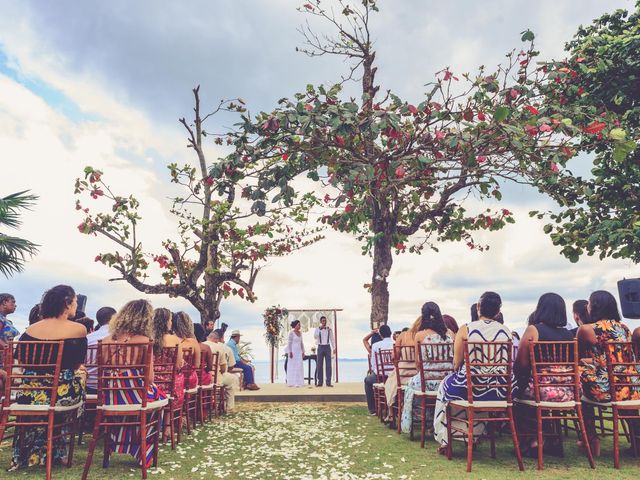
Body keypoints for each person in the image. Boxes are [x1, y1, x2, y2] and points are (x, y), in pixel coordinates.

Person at [10, 285, 87, 471]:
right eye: (75, 301)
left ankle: (27, 452)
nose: (76, 305)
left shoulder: (29, 331)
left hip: (28, 394)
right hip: (60, 393)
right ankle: (57, 451)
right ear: (67, 303)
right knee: (79, 381)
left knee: (47, 395)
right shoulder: (78, 329)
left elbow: (21, 362)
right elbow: (77, 364)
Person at [433, 291, 514, 453]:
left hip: (470, 388)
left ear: (478, 308)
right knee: (473, 393)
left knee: (446, 388)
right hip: (498, 391)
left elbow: (456, 364)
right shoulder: (506, 332)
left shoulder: (466, 329)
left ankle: (445, 439)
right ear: (498, 311)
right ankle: (474, 435)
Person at [101, 299, 166, 469]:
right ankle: (141, 448)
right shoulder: (144, 341)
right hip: (136, 396)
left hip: (110, 398)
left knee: (137, 406)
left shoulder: (106, 340)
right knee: (160, 400)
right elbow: (150, 378)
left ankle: (121, 443)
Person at [578, 290, 640, 456]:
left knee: (579, 378)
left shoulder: (587, 329)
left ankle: (591, 439)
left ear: (595, 306)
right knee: (624, 394)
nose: (587, 307)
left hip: (606, 390)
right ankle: (637, 441)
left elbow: (575, 356)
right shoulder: (625, 328)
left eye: (589, 303)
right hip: (631, 389)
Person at [514, 293, 576, 455]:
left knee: (516, 400)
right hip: (568, 392)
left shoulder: (534, 330)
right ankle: (553, 440)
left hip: (542, 391)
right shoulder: (569, 335)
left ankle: (533, 440)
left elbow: (521, 363)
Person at [400, 302, 454, 433]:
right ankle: (437, 421)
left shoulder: (420, 335)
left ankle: (415, 422)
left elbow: (418, 364)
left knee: (409, 387)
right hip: (447, 382)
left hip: (427, 381)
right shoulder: (451, 334)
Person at [151, 308, 184, 408]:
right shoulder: (174, 339)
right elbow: (178, 365)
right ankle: (168, 419)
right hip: (169, 384)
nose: (171, 322)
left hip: (151, 383)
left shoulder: (148, 338)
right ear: (166, 322)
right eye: (170, 320)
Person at [204, 327, 239, 411]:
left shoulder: (201, 345)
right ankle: (229, 407)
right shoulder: (221, 348)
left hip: (202, 379)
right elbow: (224, 368)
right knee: (232, 379)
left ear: (207, 338)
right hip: (215, 379)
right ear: (217, 339)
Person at [85, 306, 117, 394]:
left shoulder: (87, 338)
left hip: (89, 385)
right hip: (113, 385)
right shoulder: (119, 338)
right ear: (115, 319)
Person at [364, 325, 394, 415]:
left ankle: (372, 409)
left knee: (367, 380)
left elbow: (373, 366)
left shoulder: (376, 346)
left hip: (380, 377)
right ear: (391, 333)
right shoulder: (395, 344)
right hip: (393, 377)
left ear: (381, 335)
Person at [172, 312, 201, 390]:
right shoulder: (193, 342)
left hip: (172, 379)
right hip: (189, 379)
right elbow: (197, 365)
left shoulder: (170, 340)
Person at [314, 316, 335, 387]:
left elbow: (332, 339)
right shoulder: (317, 329)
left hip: (327, 347)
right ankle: (320, 382)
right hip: (320, 347)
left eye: (325, 321)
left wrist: (334, 348)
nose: (324, 322)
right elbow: (315, 336)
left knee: (328, 365)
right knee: (319, 365)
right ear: (320, 322)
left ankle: (328, 382)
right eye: (323, 321)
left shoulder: (329, 330)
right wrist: (319, 329)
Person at [286, 320, 305, 387]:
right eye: (298, 325)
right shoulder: (291, 332)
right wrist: (290, 352)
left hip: (299, 351)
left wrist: (303, 351)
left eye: (300, 325)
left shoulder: (300, 333)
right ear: (295, 325)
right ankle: (292, 382)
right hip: (293, 351)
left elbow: (301, 343)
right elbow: (289, 343)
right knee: (293, 366)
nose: (300, 326)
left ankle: (299, 382)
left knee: (299, 365)